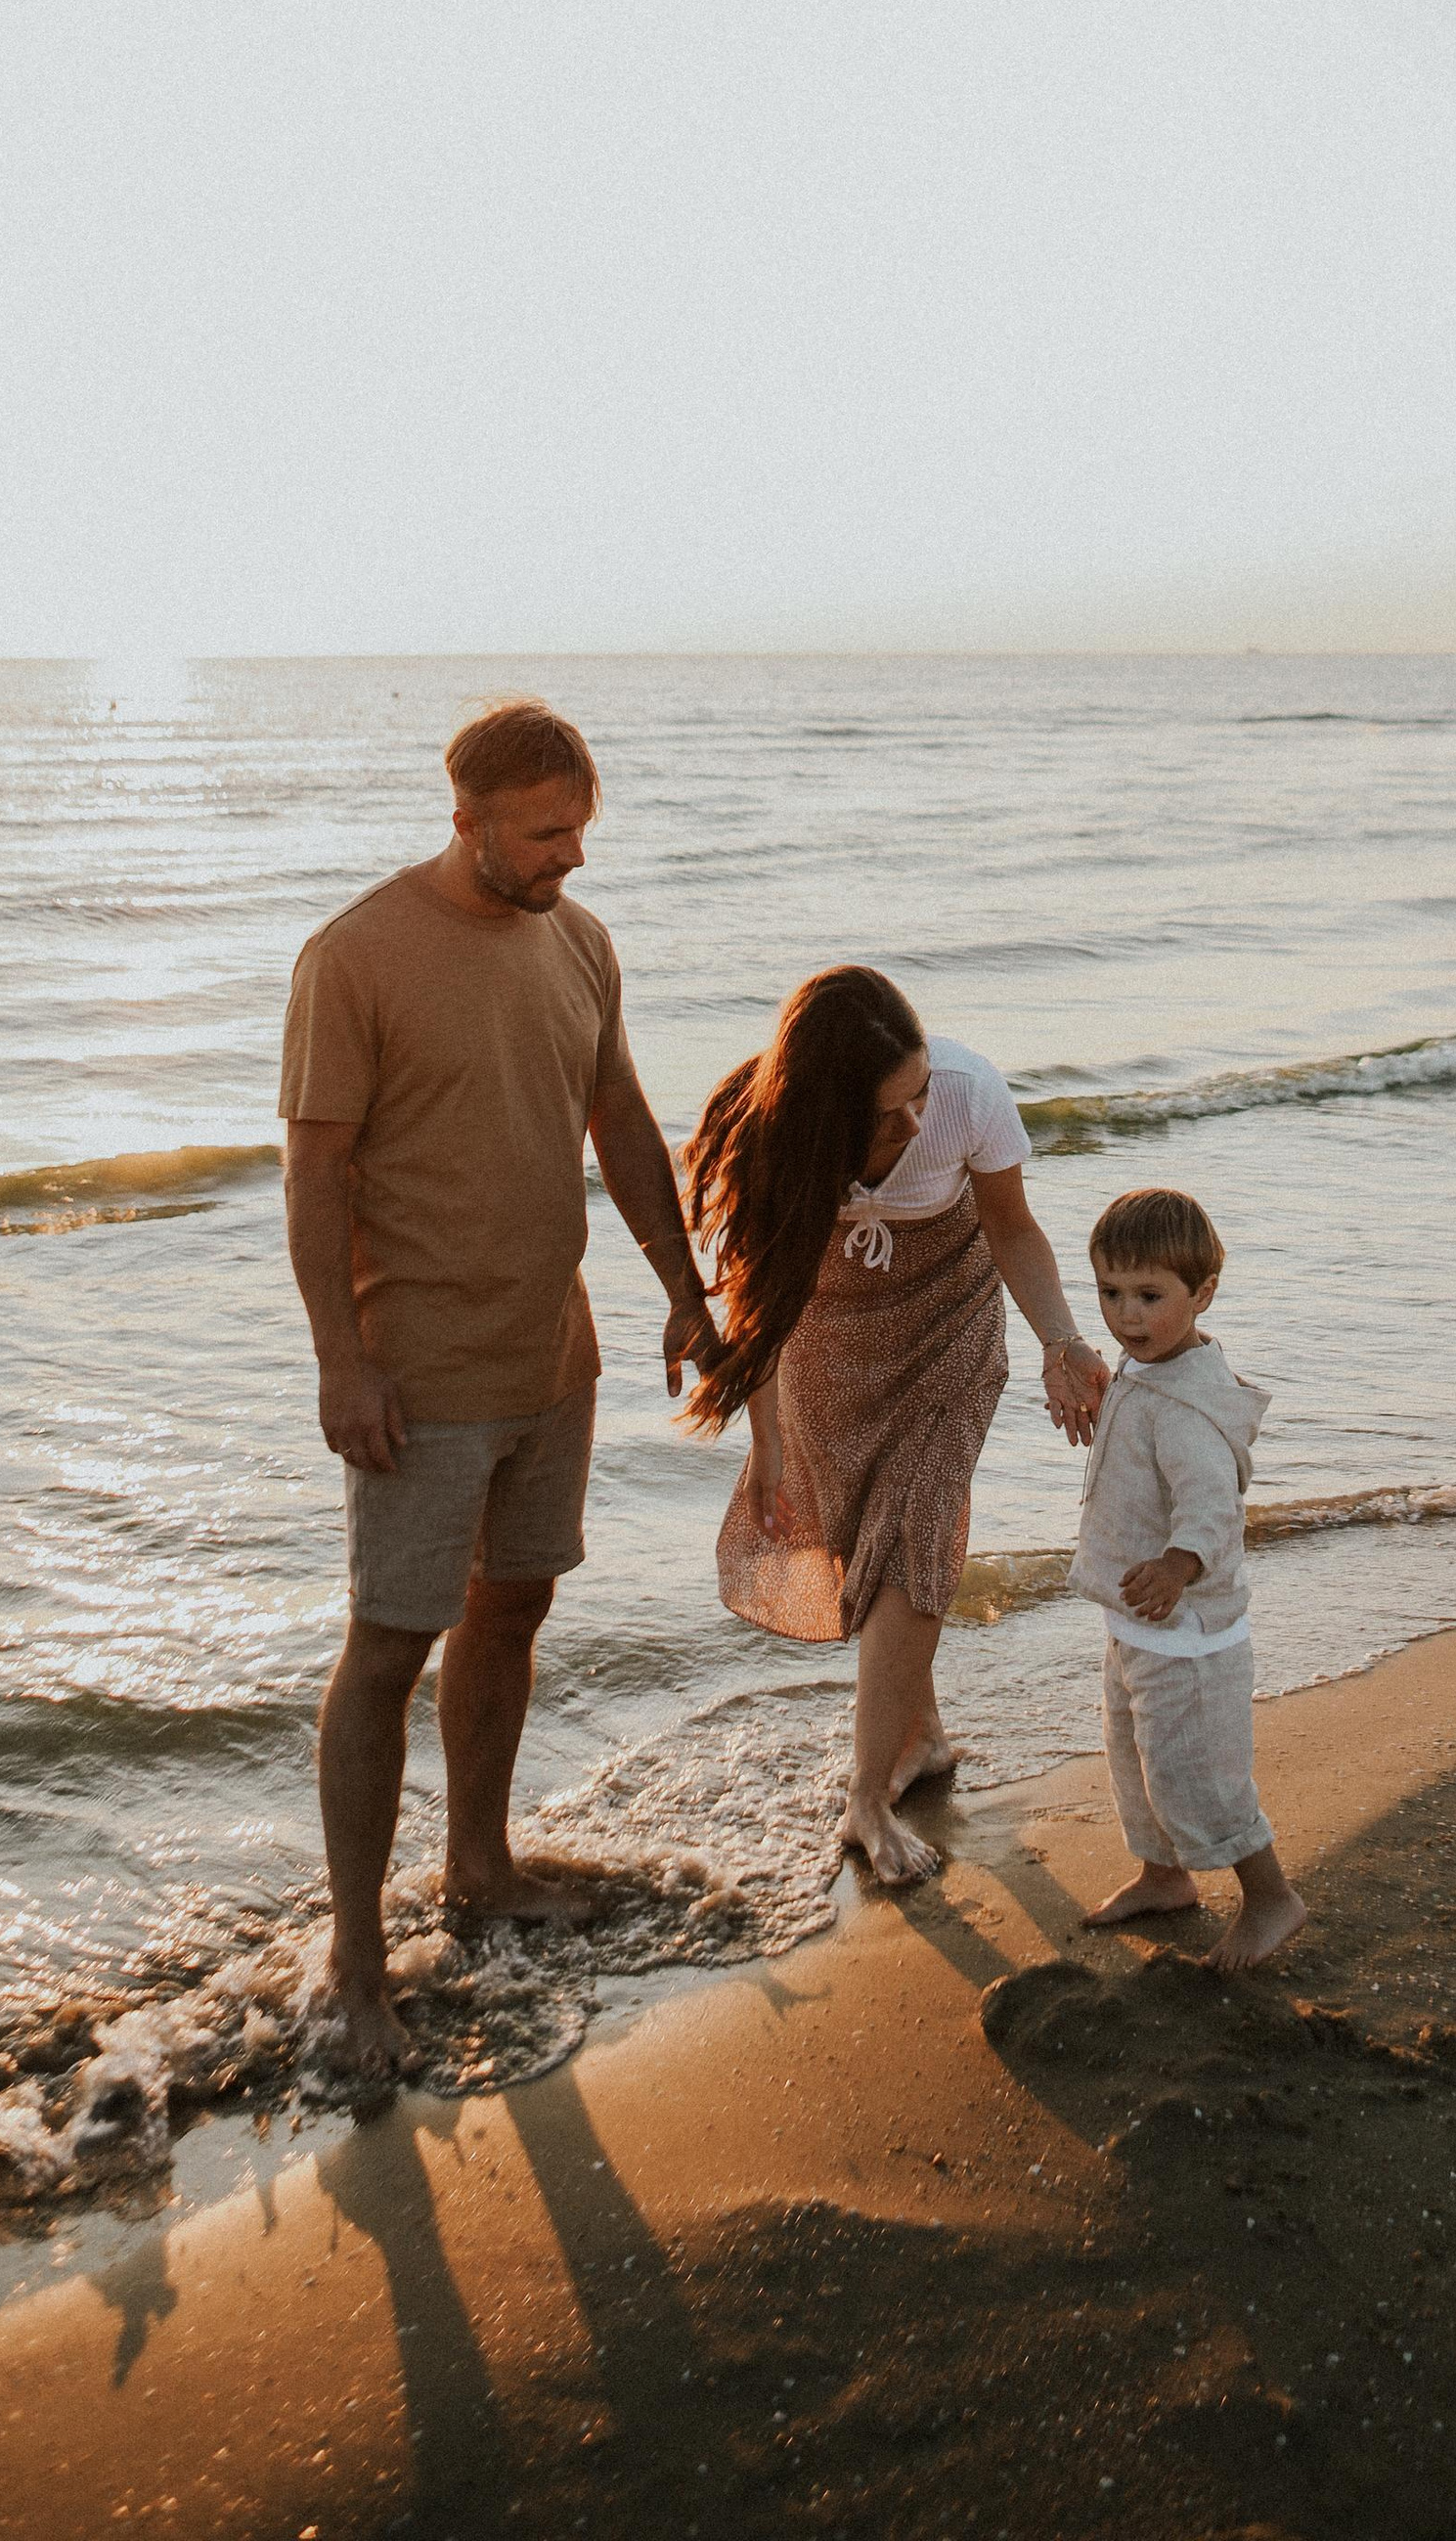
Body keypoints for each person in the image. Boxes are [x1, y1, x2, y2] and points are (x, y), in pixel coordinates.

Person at [280, 696, 720, 2075]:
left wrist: (686, 1290)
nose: (571, 858)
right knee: (389, 1646)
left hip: (552, 1353)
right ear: (464, 819)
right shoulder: (355, 956)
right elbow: (314, 1171)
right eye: (545, 835)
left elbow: (625, 1124)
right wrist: (340, 1363)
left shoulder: (580, 943)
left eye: (581, 827)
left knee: (513, 1608)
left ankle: (481, 1864)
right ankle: (355, 1965)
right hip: (419, 1375)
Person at [685, 963, 1106, 1884]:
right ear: (826, 1110)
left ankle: (865, 1797)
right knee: (860, 1539)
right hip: (829, 1335)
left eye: (919, 1094)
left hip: (949, 1317)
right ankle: (922, 1737)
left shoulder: (966, 1092)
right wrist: (767, 1446)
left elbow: (1011, 1228)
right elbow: (759, 1302)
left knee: (918, 1524)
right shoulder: (770, 1135)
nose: (916, 1120)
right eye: (888, 1111)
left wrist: (1059, 1340)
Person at [1068, 1182, 1304, 1972]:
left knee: (1198, 1775)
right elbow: (1142, 1450)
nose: (1126, 1316)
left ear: (1202, 1295)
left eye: (1149, 1296)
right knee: (1137, 1765)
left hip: (1189, 1638)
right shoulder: (1149, 1369)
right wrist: (1105, 1410)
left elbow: (1209, 1506)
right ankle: (1165, 1875)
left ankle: (1271, 1898)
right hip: (1137, 1625)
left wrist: (1179, 1565)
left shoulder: (1190, 1411)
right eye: (1108, 1293)